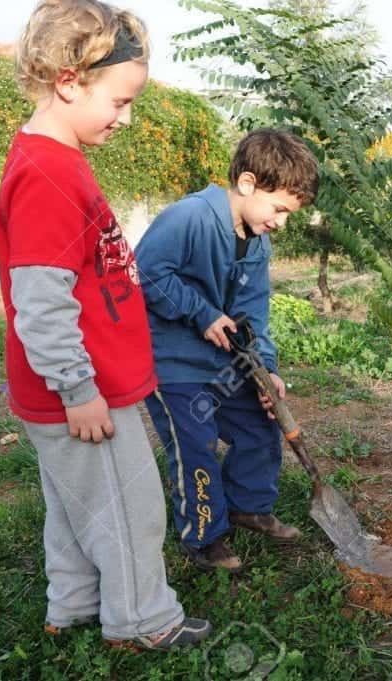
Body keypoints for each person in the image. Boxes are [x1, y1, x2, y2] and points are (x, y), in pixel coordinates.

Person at [0, 0, 210, 651]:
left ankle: (75, 604)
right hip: (82, 393)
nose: (127, 117)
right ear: (68, 81)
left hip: (71, 391)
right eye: (118, 101)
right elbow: (41, 302)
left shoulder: (53, 157)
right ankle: (144, 620)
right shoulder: (45, 174)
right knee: (129, 509)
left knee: (75, 505)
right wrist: (78, 388)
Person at [135, 129, 319, 573]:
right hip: (173, 364)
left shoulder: (257, 241)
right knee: (195, 446)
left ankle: (247, 506)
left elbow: (253, 314)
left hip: (223, 363)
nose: (281, 222)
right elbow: (144, 272)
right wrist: (201, 313)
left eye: (289, 214)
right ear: (248, 184)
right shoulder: (190, 217)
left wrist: (266, 370)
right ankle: (204, 536)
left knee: (259, 423)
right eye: (279, 209)